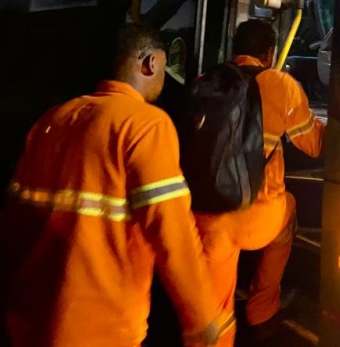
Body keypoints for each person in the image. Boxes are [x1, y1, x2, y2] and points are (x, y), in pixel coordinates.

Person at [0, 23, 226, 347]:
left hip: (27, 322)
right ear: (150, 63)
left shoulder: (53, 119)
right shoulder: (145, 125)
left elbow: (12, 222)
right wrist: (201, 318)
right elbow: (172, 229)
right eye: (166, 65)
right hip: (102, 329)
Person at [193, 19, 325, 345]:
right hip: (256, 219)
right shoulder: (281, 85)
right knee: (289, 207)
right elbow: (315, 145)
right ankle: (262, 306)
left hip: (204, 215)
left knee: (212, 314)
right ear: (269, 53)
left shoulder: (203, 81)